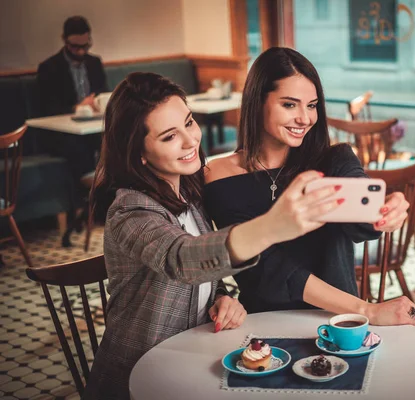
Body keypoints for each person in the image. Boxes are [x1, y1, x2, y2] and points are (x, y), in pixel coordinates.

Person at [84, 72, 344, 399]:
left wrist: (222, 296)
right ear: (139, 153)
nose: (192, 140)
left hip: (190, 359)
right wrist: (270, 227)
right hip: (137, 375)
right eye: (169, 137)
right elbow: (182, 258)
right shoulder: (130, 212)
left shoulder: (188, 196)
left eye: (189, 123)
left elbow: (205, 267)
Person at [203, 47, 415, 325]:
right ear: (257, 102)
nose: (305, 118)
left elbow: (361, 226)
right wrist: (368, 310)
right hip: (264, 324)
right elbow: (266, 270)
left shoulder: (334, 159)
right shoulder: (219, 177)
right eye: (290, 105)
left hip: (339, 321)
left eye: (312, 105)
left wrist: (386, 209)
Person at [37, 16, 107, 233]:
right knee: (78, 148)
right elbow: (48, 109)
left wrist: (97, 103)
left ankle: (103, 201)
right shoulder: (49, 68)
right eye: (75, 47)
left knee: (113, 141)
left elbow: (103, 92)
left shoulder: (94, 63)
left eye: (85, 46)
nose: (80, 51)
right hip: (62, 132)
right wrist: (78, 106)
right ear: (65, 41)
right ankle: (89, 201)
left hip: (92, 127)